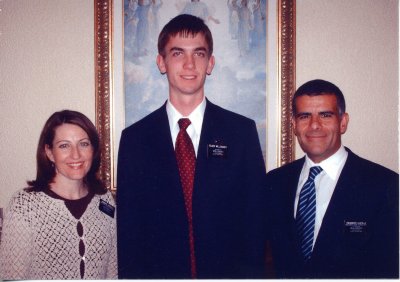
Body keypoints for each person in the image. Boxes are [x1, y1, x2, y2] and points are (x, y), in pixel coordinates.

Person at [117, 14, 267, 279]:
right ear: (161, 62)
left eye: (198, 54)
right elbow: (130, 233)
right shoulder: (135, 140)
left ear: (210, 63)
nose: (189, 64)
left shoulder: (241, 132)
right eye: (177, 53)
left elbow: (254, 225)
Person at [266, 79, 399, 278]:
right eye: (304, 116)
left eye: (325, 115)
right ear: (294, 124)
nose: (314, 126)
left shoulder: (385, 185)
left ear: (343, 122)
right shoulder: (274, 183)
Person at [0, 110, 117, 279]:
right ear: (49, 153)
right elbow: (12, 277)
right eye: (64, 145)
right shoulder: (24, 206)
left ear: (93, 149)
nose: (76, 155)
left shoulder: (106, 202)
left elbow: (113, 273)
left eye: (84, 144)